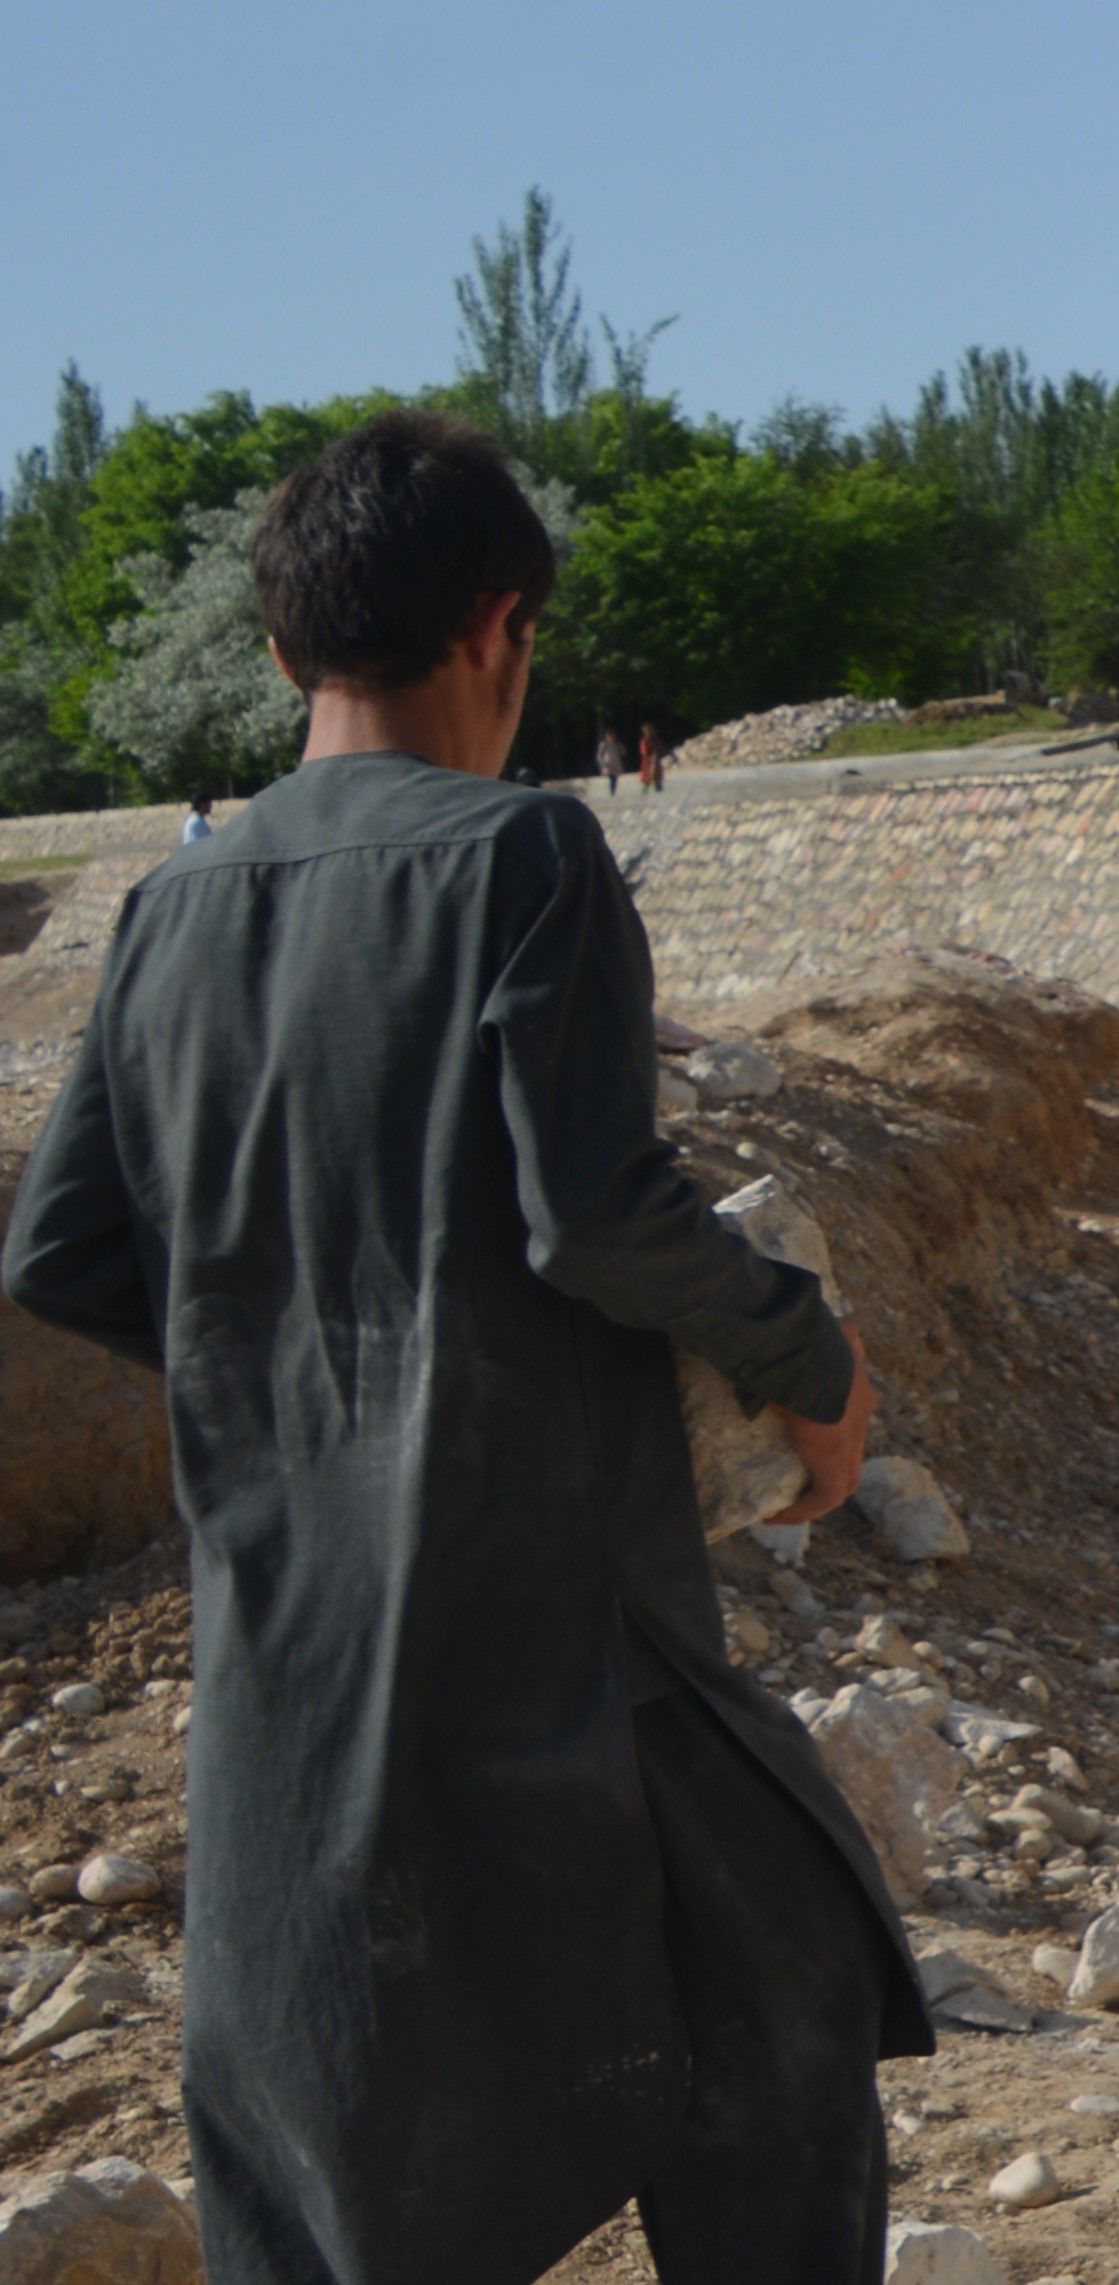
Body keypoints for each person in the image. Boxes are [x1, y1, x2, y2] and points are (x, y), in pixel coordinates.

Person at [2, 409, 922, 2284]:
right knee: (789, 1992)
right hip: (560, 1637)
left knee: (346, 2133)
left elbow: (67, 1248)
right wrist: (805, 1355)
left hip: (297, 1668)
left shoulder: (168, 909)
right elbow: (590, 1211)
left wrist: (274, 1356)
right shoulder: (525, 859)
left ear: (280, 652)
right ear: (501, 629)